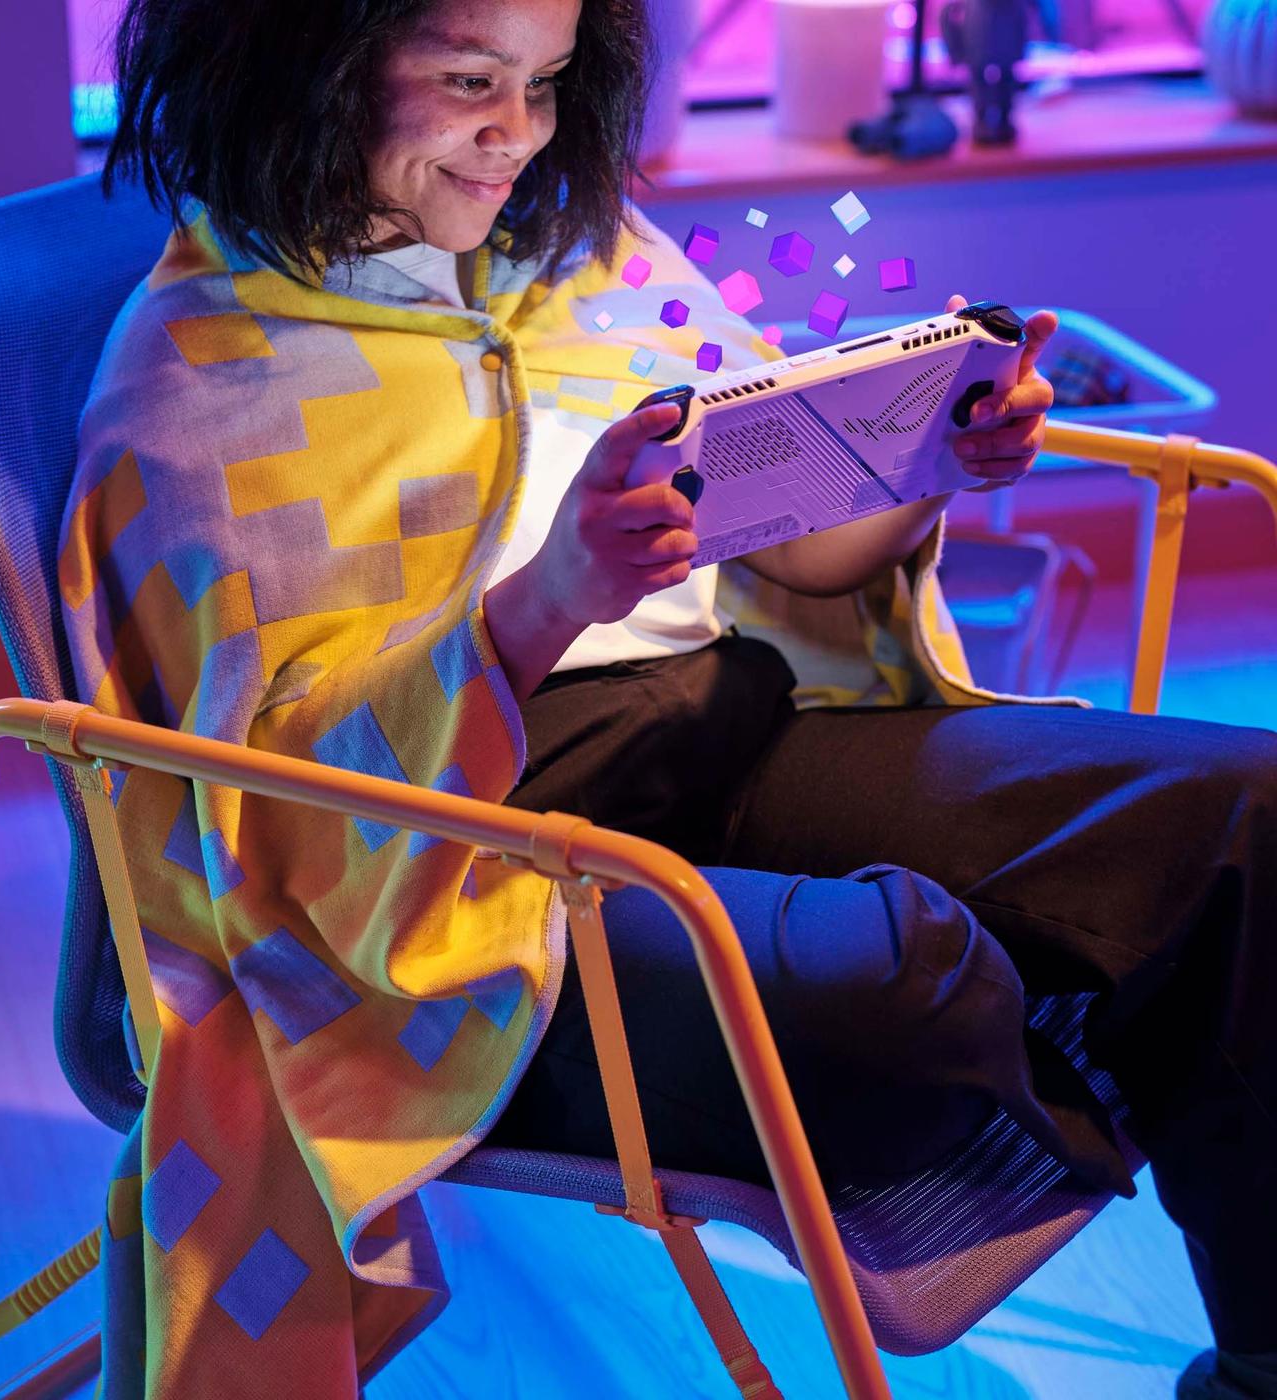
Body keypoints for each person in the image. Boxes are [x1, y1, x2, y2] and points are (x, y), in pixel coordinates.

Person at [64, 0, 1276, 1395]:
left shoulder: (577, 260)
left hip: (732, 724)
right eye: (471, 80)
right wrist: (547, 597)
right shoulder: (203, 387)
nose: (519, 134)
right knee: (906, 994)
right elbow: (278, 833)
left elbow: (790, 549)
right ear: (301, 60)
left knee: (1243, 818)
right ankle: (1089, 1014)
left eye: (550, 84)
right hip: (473, 878)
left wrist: (920, 453)